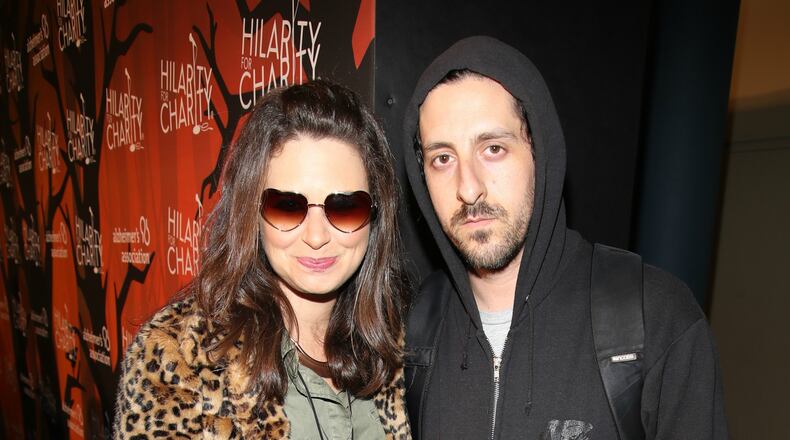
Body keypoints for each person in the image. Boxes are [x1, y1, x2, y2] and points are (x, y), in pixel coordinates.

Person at [401, 36, 727, 439]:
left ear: (541, 153)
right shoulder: (409, 334)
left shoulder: (656, 320)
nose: (468, 188)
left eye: (494, 149)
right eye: (443, 159)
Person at [113, 80, 412, 439]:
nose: (316, 236)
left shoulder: (399, 346)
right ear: (251, 210)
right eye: (288, 206)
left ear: (375, 215)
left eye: (345, 207)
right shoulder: (180, 358)